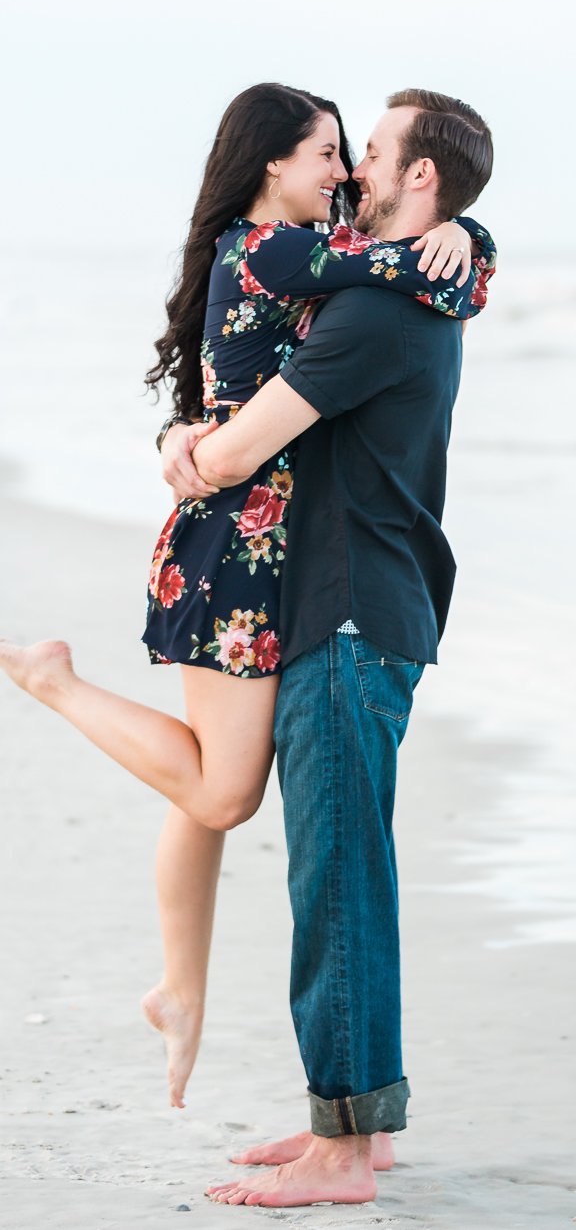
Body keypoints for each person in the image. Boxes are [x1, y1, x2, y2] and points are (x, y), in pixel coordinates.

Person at [0, 84, 495, 1130]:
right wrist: (460, 235)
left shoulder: (307, 259)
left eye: (357, 153)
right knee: (223, 793)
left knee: (212, 784)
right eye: (328, 152)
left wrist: (463, 226)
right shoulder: (272, 248)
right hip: (235, 547)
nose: (347, 172)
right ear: (271, 163)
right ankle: (51, 679)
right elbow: (404, 270)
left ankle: (181, 989)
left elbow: (237, 382)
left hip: (275, 544)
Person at [155, 87, 495, 1208]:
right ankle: (360, 1122)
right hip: (364, 608)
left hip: (345, 616)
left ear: (421, 182)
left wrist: (192, 449)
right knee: (350, 872)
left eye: (374, 156)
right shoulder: (411, 282)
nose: (350, 173)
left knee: (337, 877)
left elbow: (243, 447)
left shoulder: (376, 313)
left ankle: (345, 1148)